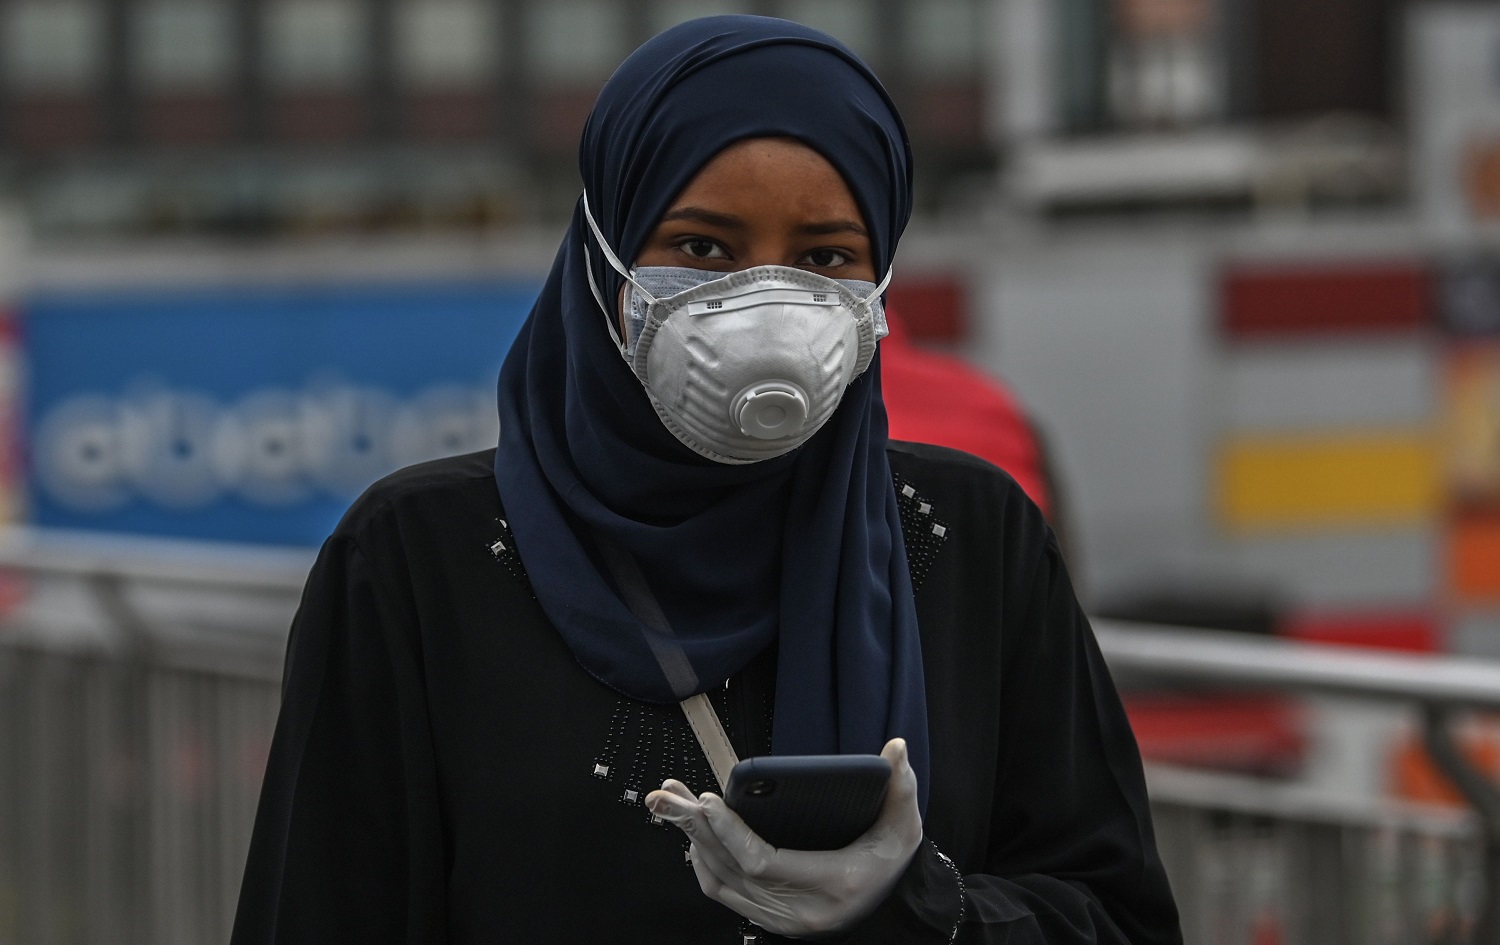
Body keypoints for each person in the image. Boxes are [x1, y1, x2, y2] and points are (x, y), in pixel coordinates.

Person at [231, 16, 1181, 945]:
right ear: (605, 260)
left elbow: (1116, 912)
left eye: (824, 257)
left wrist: (927, 911)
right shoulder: (416, 560)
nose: (765, 306)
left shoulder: (970, 538)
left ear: (880, 281)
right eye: (702, 248)